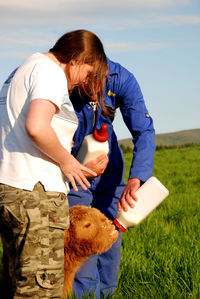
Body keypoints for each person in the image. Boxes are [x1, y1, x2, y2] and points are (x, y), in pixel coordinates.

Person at [0, 29, 108, 298]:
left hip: (12, 191)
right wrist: (68, 162)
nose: (87, 82)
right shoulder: (50, 73)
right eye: (88, 73)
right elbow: (36, 127)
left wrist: (73, 162)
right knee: (40, 293)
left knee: (17, 287)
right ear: (76, 60)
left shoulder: (22, 69)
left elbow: (22, 136)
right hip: (36, 199)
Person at [68, 57, 156, 298]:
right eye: (89, 84)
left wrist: (137, 178)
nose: (95, 90)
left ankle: (107, 293)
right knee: (82, 236)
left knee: (110, 234)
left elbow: (144, 130)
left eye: (100, 83)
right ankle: (86, 295)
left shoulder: (122, 79)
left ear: (106, 71)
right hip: (74, 170)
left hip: (111, 168)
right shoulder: (64, 79)